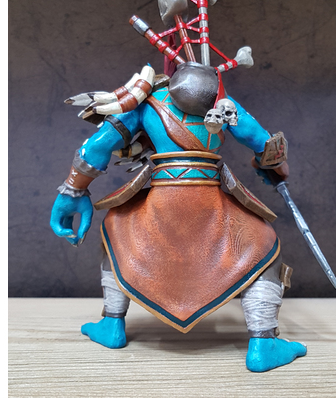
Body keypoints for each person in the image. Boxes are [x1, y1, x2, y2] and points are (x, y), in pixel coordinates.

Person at [50, 60, 307, 372]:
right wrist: (274, 170)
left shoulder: (145, 103)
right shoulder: (224, 103)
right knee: (263, 245)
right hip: (210, 200)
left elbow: (97, 147)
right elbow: (266, 146)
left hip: (162, 198)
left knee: (117, 231)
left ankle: (111, 323)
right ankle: (263, 342)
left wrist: (72, 191)